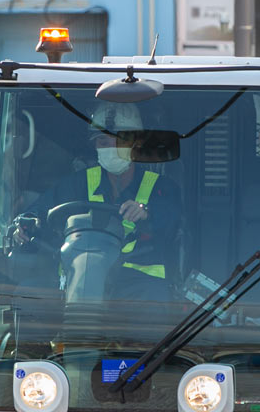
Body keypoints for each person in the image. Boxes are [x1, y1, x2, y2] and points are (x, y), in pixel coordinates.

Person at [14, 101, 180, 300]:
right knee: (26, 293)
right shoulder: (77, 183)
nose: (112, 148)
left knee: (158, 297)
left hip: (137, 288)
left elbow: (173, 221)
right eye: (103, 142)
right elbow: (40, 211)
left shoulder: (161, 188)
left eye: (120, 141)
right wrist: (27, 224)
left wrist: (147, 213)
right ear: (94, 146)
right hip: (77, 281)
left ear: (136, 143)